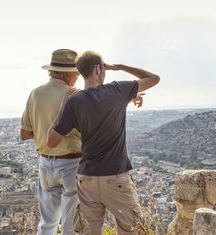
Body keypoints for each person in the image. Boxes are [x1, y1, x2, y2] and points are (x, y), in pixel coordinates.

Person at [46, 51, 160, 234]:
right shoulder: (117, 90)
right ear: (99, 69)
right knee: (134, 230)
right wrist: (120, 67)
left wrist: (62, 109)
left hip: (87, 179)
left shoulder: (74, 102)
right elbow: (153, 78)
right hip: (116, 177)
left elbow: (51, 141)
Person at [20, 49, 82, 235]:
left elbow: (24, 134)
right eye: (76, 72)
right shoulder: (75, 96)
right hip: (71, 162)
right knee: (71, 223)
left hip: (45, 163)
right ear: (67, 73)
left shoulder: (35, 94)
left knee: (47, 222)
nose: (78, 76)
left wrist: (42, 132)